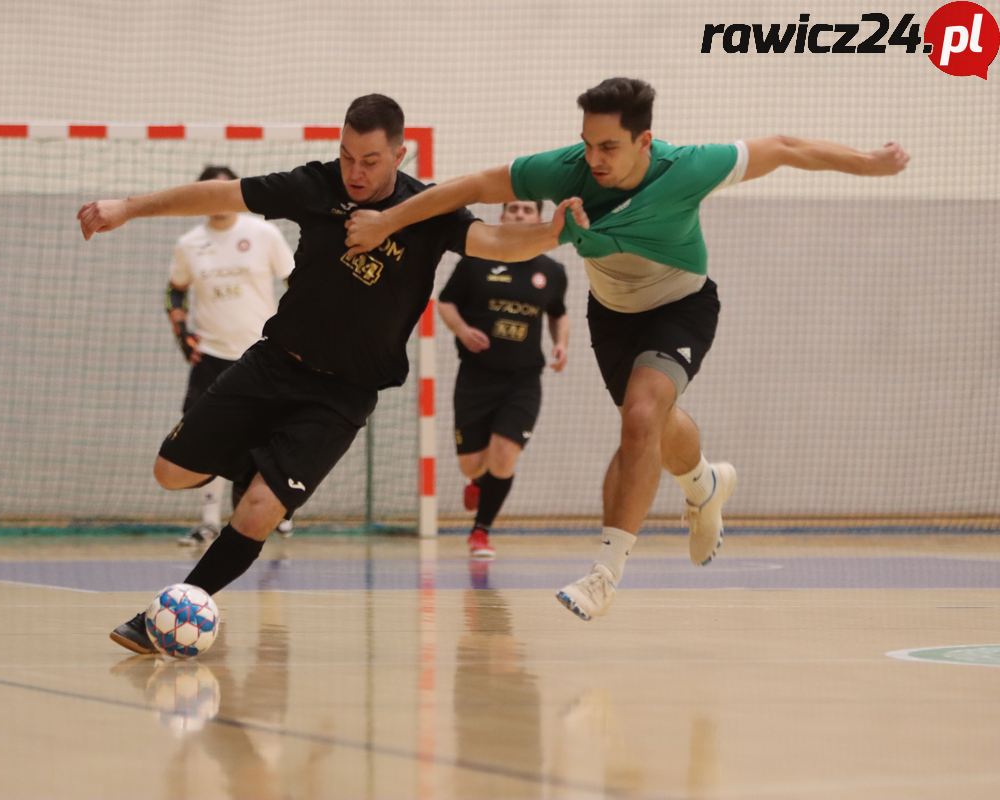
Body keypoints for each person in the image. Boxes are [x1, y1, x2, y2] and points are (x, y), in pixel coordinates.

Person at [344, 77, 909, 621]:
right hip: (612, 316)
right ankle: (705, 483)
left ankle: (604, 574)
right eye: (589, 144)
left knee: (640, 415)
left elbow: (784, 146)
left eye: (610, 146)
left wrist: (868, 162)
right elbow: (469, 188)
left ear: (644, 141)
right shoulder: (566, 168)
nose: (595, 159)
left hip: (680, 305)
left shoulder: (688, 167)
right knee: (652, 425)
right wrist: (387, 222)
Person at [78, 94, 586, 654]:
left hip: (340, 397)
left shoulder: (427, 208)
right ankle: (254, 464)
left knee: (259, 510)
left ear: (400, 152)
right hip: (273, 365)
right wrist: (128, 206)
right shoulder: (315, 186)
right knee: (170, 473)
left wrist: (554, 232)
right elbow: (223, 194)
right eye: (346, 156)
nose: (355, 172)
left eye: (370, 160)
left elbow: (493, 242)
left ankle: (170, 612)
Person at [165, 164, 296, 545]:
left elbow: (296, 282)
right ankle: (208, 521)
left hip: (262, 354)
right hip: (211, 355)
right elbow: (174, 292)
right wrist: (181, 333)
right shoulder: (189, 243)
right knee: (205, 436)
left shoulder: (263, 233)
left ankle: (277, 511)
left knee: (270, 436)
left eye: (225, 190)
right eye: (209, 191)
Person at [437, 200, 568, 560]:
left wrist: (560, 344)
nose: (520, 215)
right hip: (476, 376)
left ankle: (481, 530)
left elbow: (558, 313)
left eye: (527, 210)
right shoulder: (474, 263)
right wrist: (462, 331)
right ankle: (476, 482)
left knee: (504, 455)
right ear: (503, 216)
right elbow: (445, 303)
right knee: (473, 463)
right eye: (513, 209)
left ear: (538, 218)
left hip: (523, 380)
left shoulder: (552, 271)